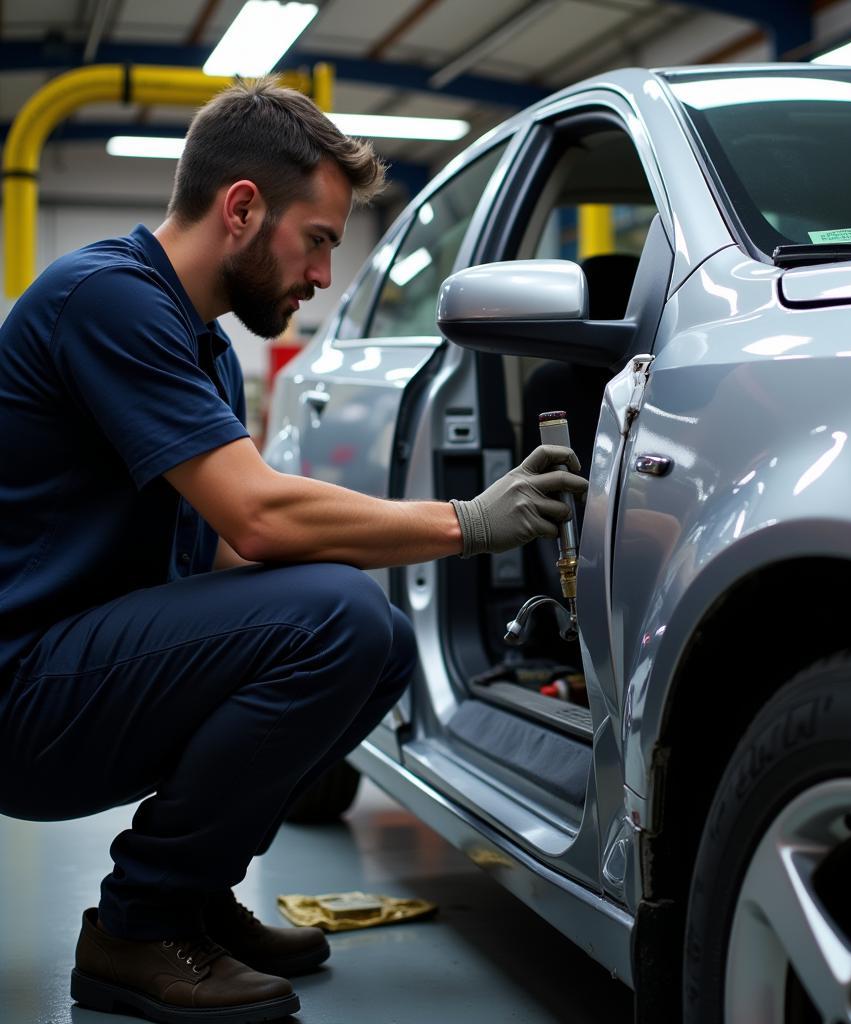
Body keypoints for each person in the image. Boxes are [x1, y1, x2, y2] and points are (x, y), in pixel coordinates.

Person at [0, 78, 587, 1024]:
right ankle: (133, 928)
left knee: (377, 639)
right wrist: (468, 522)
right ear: (241, 209)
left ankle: (192, 895)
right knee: (341, 616)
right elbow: (262, 516)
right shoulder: (105, 298)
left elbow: (227, 555)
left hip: (84, 669)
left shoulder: (209, 351)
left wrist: (345, 573)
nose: (323, 276)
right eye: (317, 239)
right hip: (22, 693)